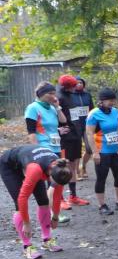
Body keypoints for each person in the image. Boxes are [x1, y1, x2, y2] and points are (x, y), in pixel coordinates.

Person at [1, 145, 71, 259]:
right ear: (50, 172)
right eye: (54, 182)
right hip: (10, 167)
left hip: (31, 162)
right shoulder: (35, 170)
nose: (54, 184)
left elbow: (57, 196)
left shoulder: (61, 169)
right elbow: (23, 198)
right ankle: (27, 246)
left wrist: (55, 217)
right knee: (19, 203)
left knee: (43, 201)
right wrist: (26, 223)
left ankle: (47, 239)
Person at [26, 81, 72, 224]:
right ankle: (51, 213)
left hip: (56, 147)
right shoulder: (33, 108)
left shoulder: (52, 107)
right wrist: (36, 150)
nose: (53, 96)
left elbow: (63, 121)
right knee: (53, 181)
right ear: (41, 94)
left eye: (54, 93)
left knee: (57, 181)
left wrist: (57, 107)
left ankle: (53, 212)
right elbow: (31, 132)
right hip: (44, 149)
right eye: (50, 94)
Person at [86, 88, 118, 215]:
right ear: (101, 101)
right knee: (101, 178)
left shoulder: (116, 111)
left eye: (113, 100)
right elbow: (89, 134)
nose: (112, 102)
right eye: (109, 100)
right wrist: (95, 152)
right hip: (102, 151)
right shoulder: (94, 114)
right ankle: (102, 205)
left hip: (115, 150)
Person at [56, 74, 90, 206]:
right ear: (66, 86)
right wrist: (59, 130)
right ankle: (59, 199)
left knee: (73, 167)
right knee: (62, 168)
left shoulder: (72, 95)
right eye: (73, 86)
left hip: (76, 134)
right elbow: (55, 117)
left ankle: (73, 196)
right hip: (66, 138)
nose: (75, 88)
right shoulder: (59, 98)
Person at [74, 77, 95, 179]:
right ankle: (77, 172)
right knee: (77, 149)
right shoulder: (70, 95)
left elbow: (92, 109)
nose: (79, 84)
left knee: (89, 148)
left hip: (87, 125)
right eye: (77, 83)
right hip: (75, 126)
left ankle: (83, 167)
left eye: (81, 83)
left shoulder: (87, 95)